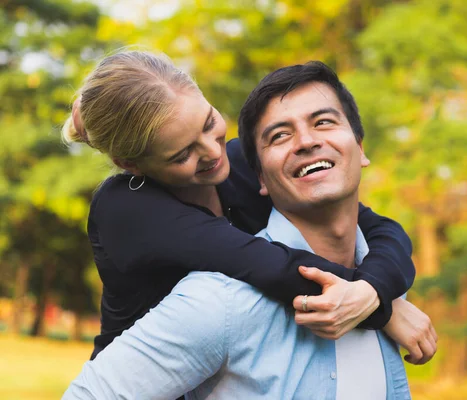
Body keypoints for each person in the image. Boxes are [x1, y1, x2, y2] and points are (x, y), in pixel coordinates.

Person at [63, 61, 437, 400]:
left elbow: (375, 227)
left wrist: (374, 290)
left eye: (210, 124)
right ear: (132, 165)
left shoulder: (239, 162)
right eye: (181, 155)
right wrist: (381, 310)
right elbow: (266, 264)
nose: (212, 152)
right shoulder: (127, 209)